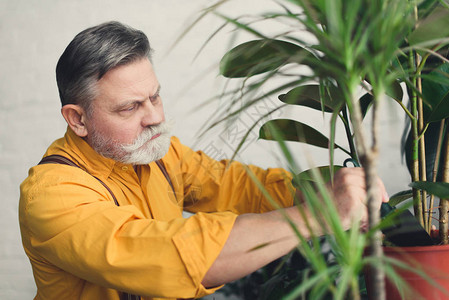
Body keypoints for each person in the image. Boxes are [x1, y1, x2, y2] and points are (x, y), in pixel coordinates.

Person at [19, 21, 388, 300]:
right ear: (77, 119)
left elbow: (235, 185)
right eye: (130, 107)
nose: (154, 118)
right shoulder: (52, 196)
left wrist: (322, 190)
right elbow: (172, 254)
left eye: (155, 97)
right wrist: (319, 216)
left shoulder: (160, 154)